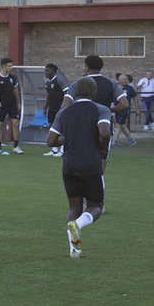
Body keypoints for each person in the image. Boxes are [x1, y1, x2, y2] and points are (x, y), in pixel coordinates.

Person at [46, 76, 111, 258]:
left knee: (74, 208)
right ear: (94, 92)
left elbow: (50, 141)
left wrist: (70, 138)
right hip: (90, 163)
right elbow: (104, 132)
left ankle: (74, 250)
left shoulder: (64, 113)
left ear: (75, 92)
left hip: (69, 165)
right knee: (96, 206)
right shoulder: (101, 109)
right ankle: (79, 225)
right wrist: (102, 146)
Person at [62, 55, 127, 171]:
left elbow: (65, 106)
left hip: (81, 126)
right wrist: (108, 110)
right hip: (104, 126)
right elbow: (125, 104)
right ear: (101, 67)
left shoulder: (79, 83)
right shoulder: (111, 83)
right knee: (101, 161)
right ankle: (98, 183)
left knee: (79, 160)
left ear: (87, 68)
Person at [0, 57, 23, 155]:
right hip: (2, 105)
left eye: (11, 65)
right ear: (4, 66)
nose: (11, 67)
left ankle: (16, 146)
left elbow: (15, 89)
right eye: (9, 66)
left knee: (16, 124)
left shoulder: (12, 76)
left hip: (12, 104)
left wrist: (18, 102)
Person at [42, 63, 67, 156]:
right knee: (52, 127)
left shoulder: (59, 80)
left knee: (62, 129)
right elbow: (49, 96)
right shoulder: (48, 83)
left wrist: (64, 106)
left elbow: (67, 93)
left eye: (47, 70)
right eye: (45, 70)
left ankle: (63, 150)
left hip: (60, 107)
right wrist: (45, 108)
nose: (46, 72)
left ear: (53, 71)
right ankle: (54, 150)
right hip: (52, 108)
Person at [113, 74, 137, 147]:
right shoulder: (115, 87)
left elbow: (135, 98)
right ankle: (131, 140)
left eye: (126, 79)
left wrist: (137, 109)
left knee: (118, 124)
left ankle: (114, 141)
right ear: (119, 81)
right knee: (121, 125)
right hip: (117, 108)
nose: (126, 81)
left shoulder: (129, 88)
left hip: (125, 108)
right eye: (124, 80)